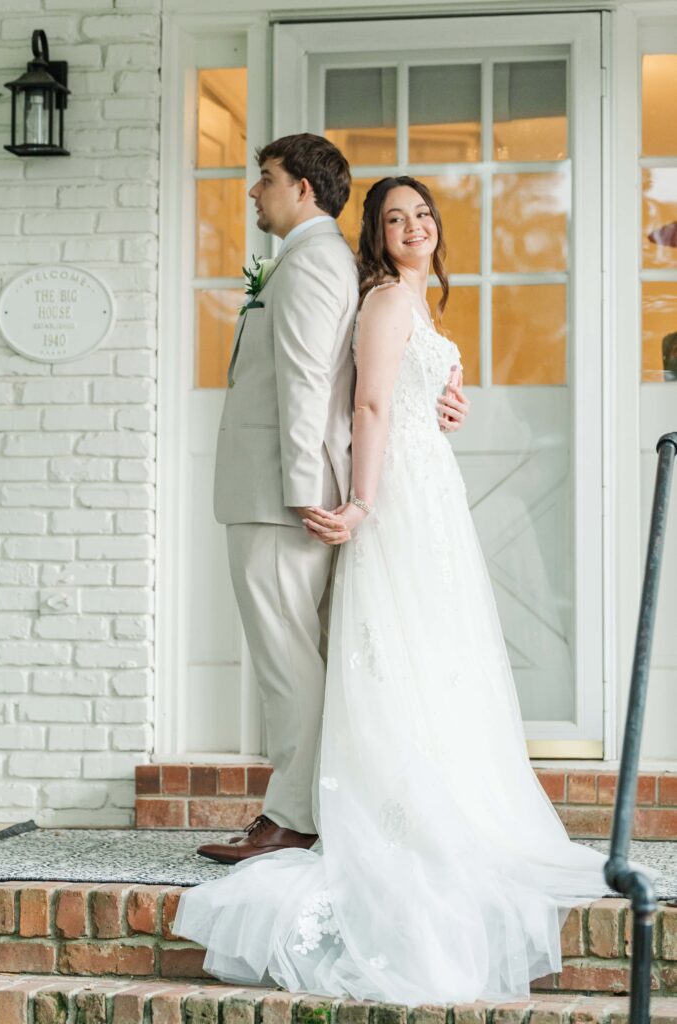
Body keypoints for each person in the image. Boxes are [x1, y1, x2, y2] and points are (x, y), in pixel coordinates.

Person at [175, 176, 605, 1005]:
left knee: (439, 650)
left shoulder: (415, 301)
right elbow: (367, 404)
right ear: (375, 233)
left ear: (437, 229)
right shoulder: (379, 299)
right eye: (394, 218)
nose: (412, 227)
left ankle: (446, 798)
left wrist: (444, 399)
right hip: (396, 493)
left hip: (429, 488)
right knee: (393, 649)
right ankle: (384, 812)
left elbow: (404, 392)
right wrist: (363, 501)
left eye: (422, 215)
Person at [199, 136, 474, 866]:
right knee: (309, 657)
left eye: (265, 180)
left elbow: (307, 385)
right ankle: (317, 806)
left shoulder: (316, 263)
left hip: (280, 495)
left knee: (286, 659)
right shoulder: (323, 264)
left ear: (303, 190)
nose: (255, 193)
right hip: (293, 490)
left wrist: (301, 495)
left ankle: (292, 817)